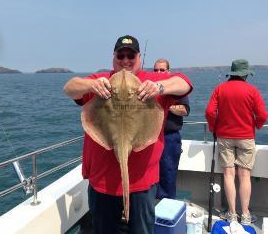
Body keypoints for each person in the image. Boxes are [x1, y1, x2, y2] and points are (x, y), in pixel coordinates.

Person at [63, 35, 192, 234]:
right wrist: (90, 86)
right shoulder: (101, 81)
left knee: (141, 230)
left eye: (130, 56)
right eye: (120, 55)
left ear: (139, 57)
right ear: (113, 57)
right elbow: (70, 87)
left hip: (142, 181)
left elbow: (184, 83)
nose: (125, 61)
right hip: (103, 181)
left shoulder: (153, 81)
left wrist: (159, 87)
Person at [205, 59, 268, 225]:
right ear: (246, 74)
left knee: (228, 174)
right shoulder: (252, 91)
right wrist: (256, 125)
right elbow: (262, 115)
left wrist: (214, 128)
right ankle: (246, 215)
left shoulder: (220, 89)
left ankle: (232, 214)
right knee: (245, 175)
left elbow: (210, 112)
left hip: (224, 136)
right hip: (246, 136)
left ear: (232, 73)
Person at [153, 59, 190, 199]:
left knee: (168, 173)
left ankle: (167, 207)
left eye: (162, 70)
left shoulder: (177, 90)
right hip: (151, 138)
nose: (159, 72)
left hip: (169, 138)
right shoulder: (149, 89)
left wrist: (166, 106)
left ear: (168, 71)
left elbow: (185, 110)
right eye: (156, 70)